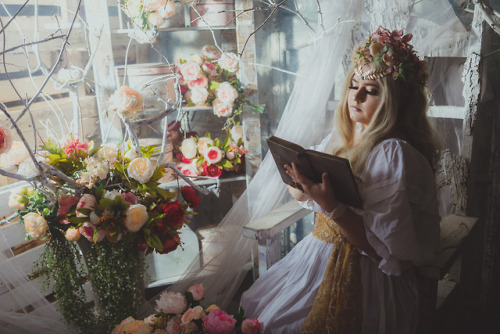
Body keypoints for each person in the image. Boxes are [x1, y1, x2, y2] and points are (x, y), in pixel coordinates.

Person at [240, 27, 441, 334]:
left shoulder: (393, 153)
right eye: (353, 86)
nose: (355, 97)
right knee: (264, 318)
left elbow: (381, 250)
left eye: (371, 91)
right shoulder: (340, 137)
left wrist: (331, 205)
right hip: (316, 254)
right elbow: (302, 198)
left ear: (395, 101)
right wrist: (298, 178)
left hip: (365, 274)